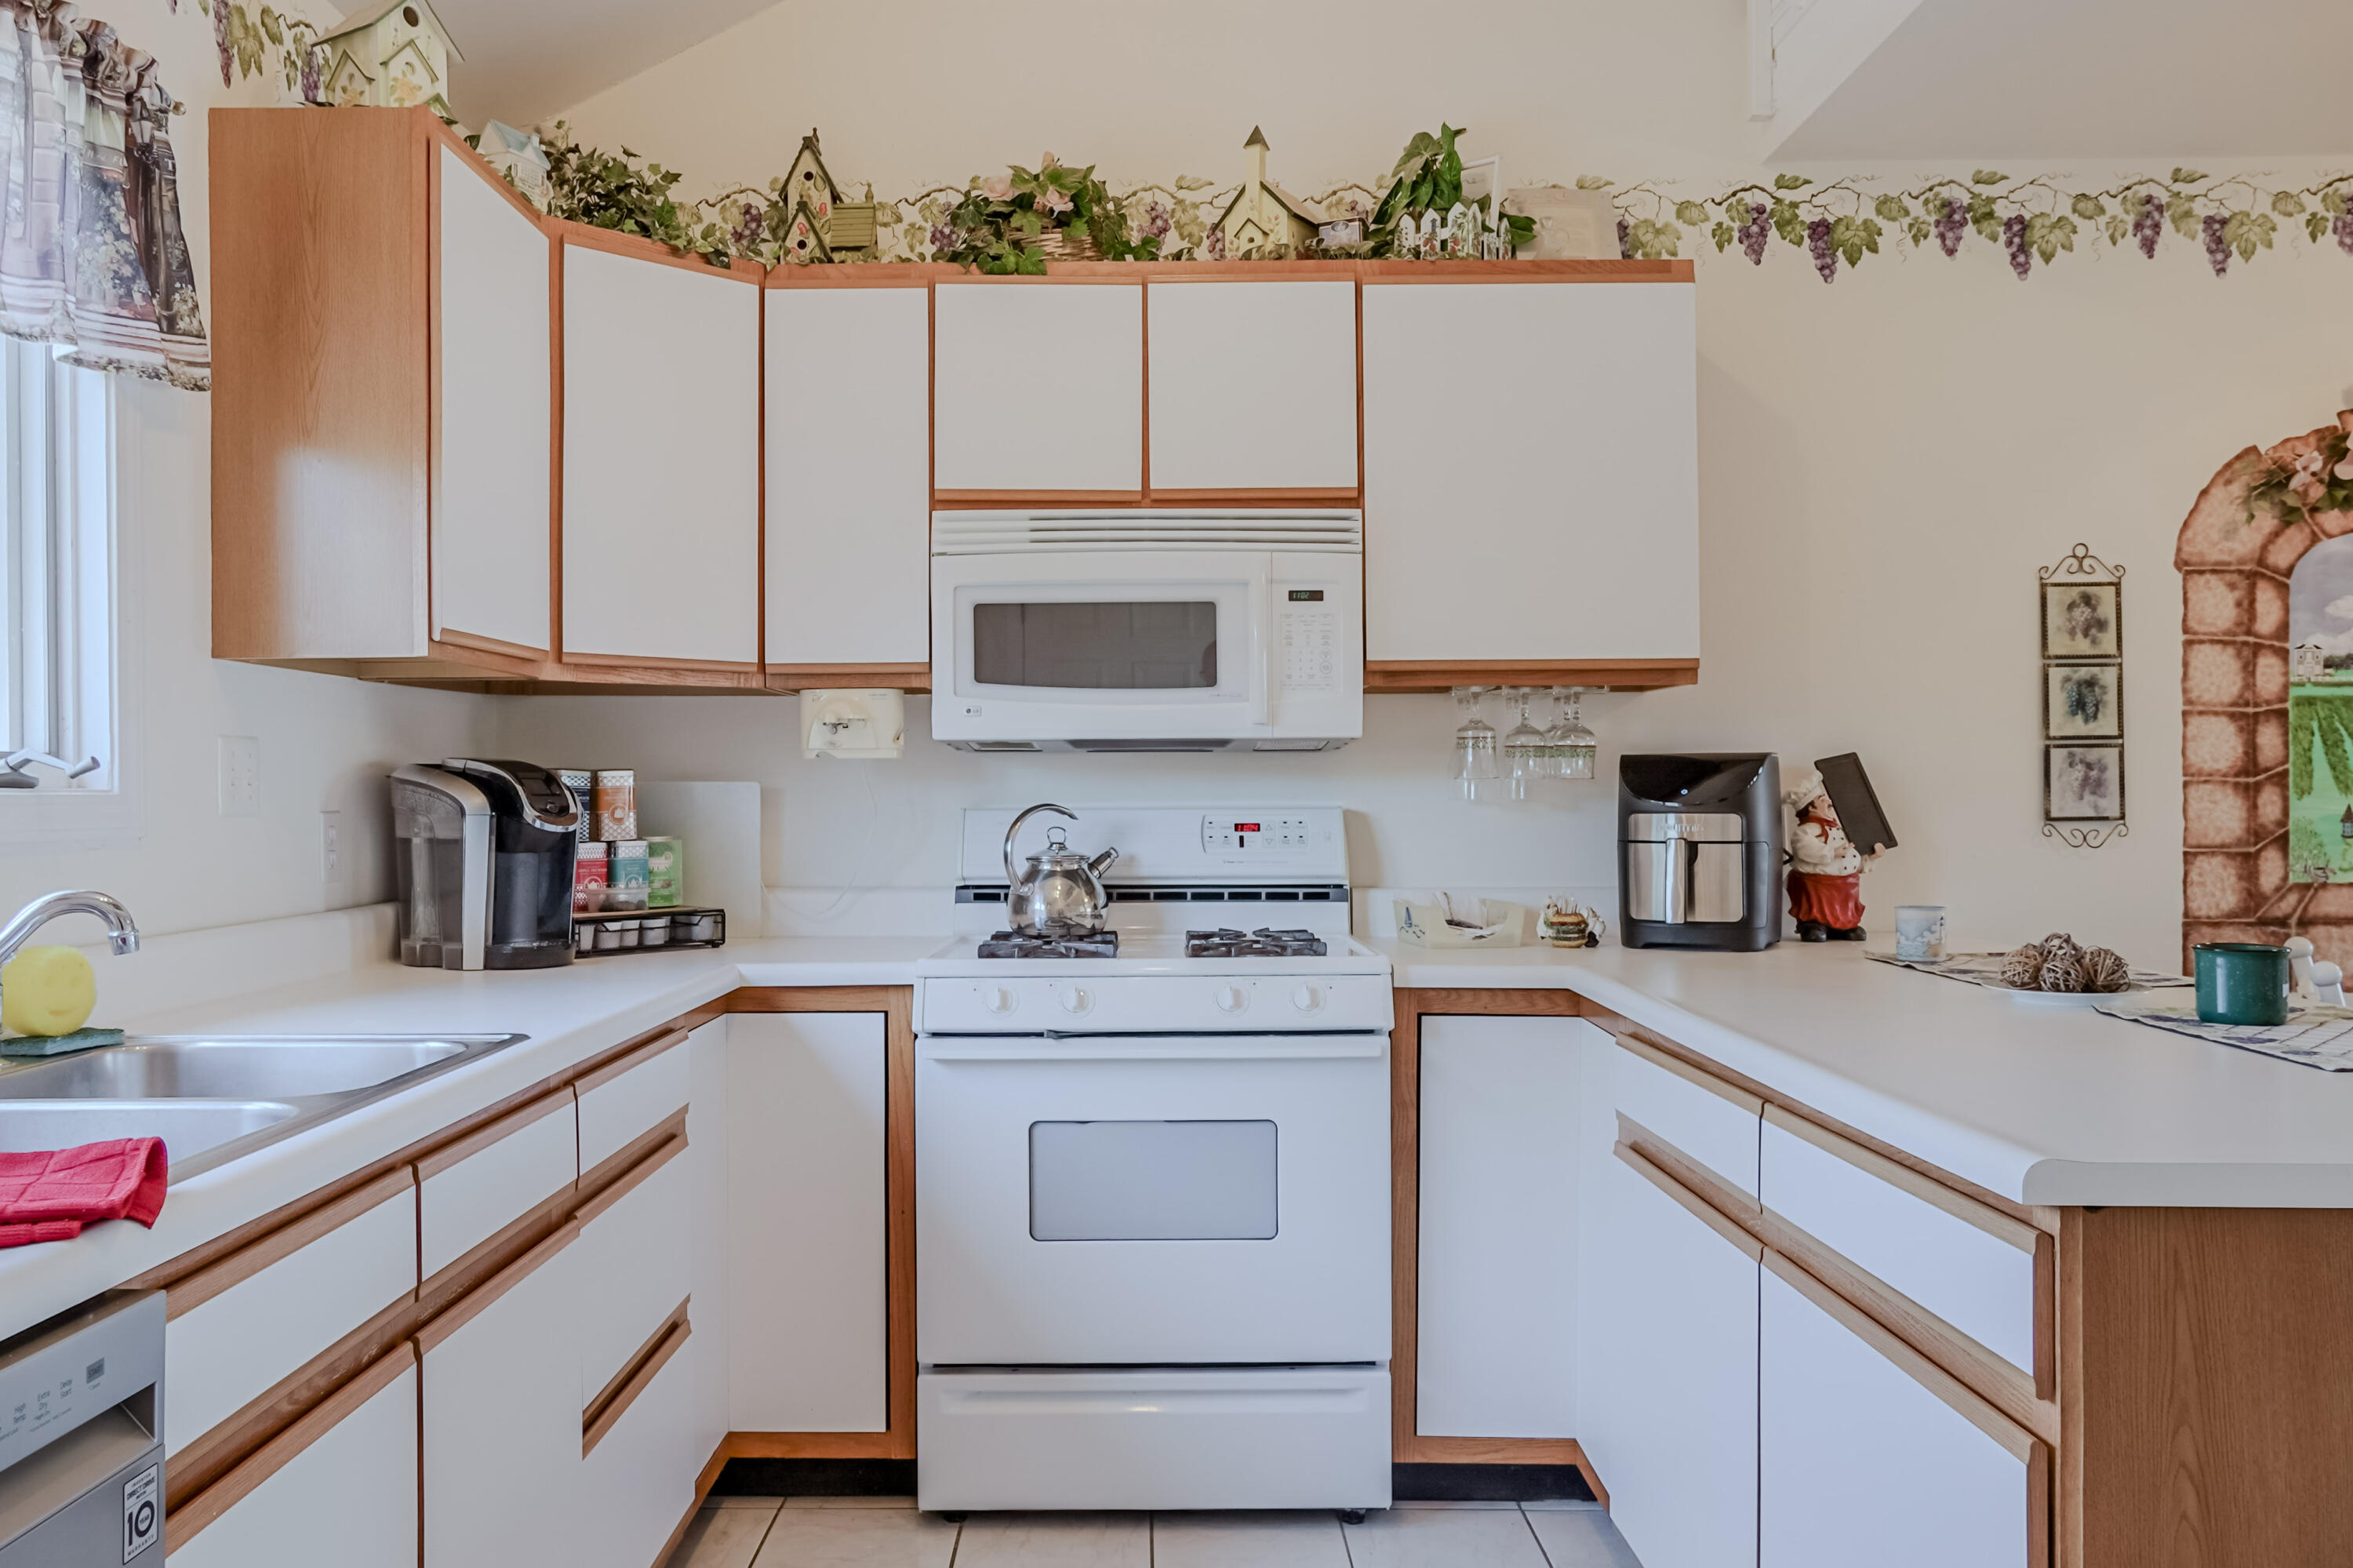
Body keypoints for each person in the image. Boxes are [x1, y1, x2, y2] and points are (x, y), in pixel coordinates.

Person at [1784, 766, 1871, 941]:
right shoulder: (1806, 831)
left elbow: (1850, 854)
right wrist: (1832, 852)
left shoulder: (1839, 828)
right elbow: (1804, 848)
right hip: (1818, 884)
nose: (1829, 801)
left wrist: (1870, 858)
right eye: (1822, 799)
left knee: (1843, 907)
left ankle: (1842, 926)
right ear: (1812, 808)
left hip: (1845, 885)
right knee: (1817, 907)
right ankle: (1813, 925)